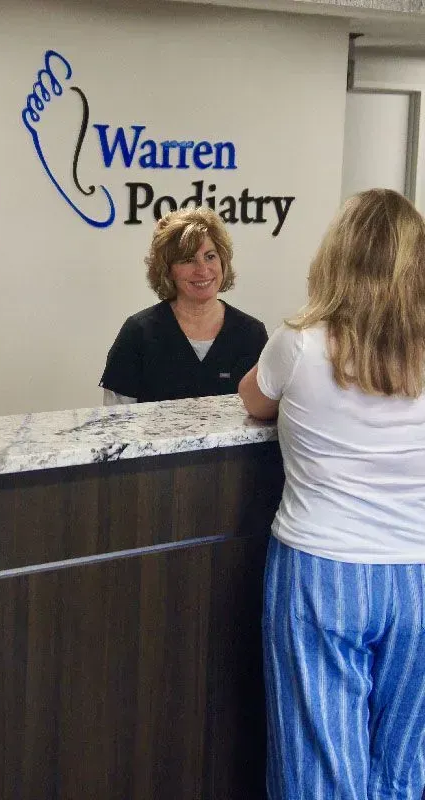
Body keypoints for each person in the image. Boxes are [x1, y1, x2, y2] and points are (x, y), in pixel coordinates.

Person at [238, 188, 425, 800]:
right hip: (417, 577)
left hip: (323, 573)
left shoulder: (299, 342)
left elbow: (252, 399)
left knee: (319, 763)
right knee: (404, 763)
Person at [100, 206, 268, 404]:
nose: (203, 270)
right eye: (188, 260)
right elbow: (116, 423)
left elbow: (265, 419)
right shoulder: (138, 333)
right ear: (168, 270)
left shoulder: (251, 334)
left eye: (210, 256)